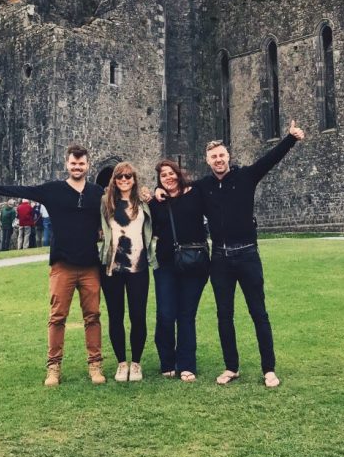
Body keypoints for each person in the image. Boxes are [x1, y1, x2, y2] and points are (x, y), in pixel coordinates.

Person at [0, 144, 107, 387]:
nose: (77, 167)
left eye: (81, 163)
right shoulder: (53, 190)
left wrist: (147, 194)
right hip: (63, 265)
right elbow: (21, 189)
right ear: (67, 164)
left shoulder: (96, 193)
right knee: (57, 317)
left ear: (88, 165)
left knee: (92, 316)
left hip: (90, 264)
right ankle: (53, 367)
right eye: (73, 163)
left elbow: (123, 200)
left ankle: (95, 365)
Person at [196, 120, 305, 388]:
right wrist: (157, 193)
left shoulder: (246, 176)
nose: (218, 160)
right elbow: (179, 193)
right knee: (224, 315)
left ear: (228, 157)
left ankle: (269, 369)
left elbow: (270, 160)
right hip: (220, 259)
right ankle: (231, 367)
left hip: (247, 255)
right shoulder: (202, 187)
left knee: (259, 312)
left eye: (222, 155)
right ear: (207, 160)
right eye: (213, 157)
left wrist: (290, 138)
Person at [149, 159, 209, 382]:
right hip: (165, 265)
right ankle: (167, 360)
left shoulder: (196, 193)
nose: (168, 178)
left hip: (194, 264)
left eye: (171, 173)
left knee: (186, 315)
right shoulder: (156, 203)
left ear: (179, 173)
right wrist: (152, 191)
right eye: (163, 175)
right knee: (165, 314)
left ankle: (186, 364)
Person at [99, 162, 153, 382]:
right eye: (119, 176)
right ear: (114, 179)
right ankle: (122, 363)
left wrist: (154, 193)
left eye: (128, 176)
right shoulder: (105, 201)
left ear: (134, 178)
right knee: (115, 316)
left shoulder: (143, 201)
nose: (124, 180)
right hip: (112, 268)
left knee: (138, 316)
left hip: (138, 267)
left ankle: (136, 363)